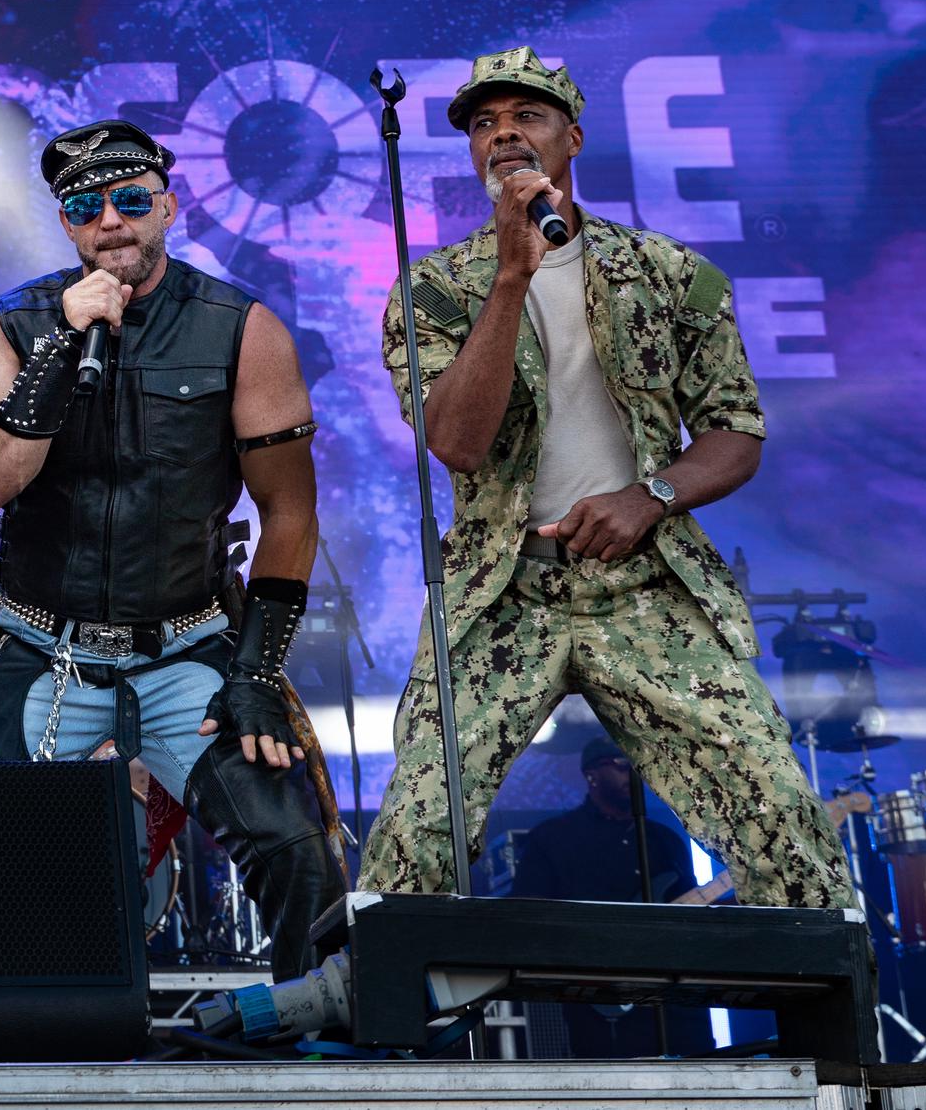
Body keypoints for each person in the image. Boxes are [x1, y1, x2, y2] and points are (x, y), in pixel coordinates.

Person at [358, 47, 849, 908]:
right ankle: (398, 1029)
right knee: (416, 830)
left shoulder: (670, 274)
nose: (503, 133)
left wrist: (648, 497)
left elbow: (735, 433)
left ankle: (834, 1025)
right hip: (505, 593)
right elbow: (460, 445)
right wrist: (512, 276)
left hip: (647, 587)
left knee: (782, 818)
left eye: (527, 117)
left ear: (572, 137)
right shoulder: (432, 291)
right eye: (483, 124)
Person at [0, 118, 340, 981]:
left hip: (185, 649)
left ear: (167, 205)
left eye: (130, 201)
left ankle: (326, 1043)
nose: (111, 222)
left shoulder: (241, 327)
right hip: (39, 644)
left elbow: (290, 512)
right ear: (67, 224)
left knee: (293, 842)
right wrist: (59, 346)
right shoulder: (15, 325)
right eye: (87, 207)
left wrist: (257, 674)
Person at [509, 736, 711, 1057]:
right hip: (598, 1004)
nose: (631, 773)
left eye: (637, 766)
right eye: (620, 765)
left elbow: (690, 913)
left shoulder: (665, 839)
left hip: (675, 1008)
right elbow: (526, 916)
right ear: (592, 774)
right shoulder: (554, 838)